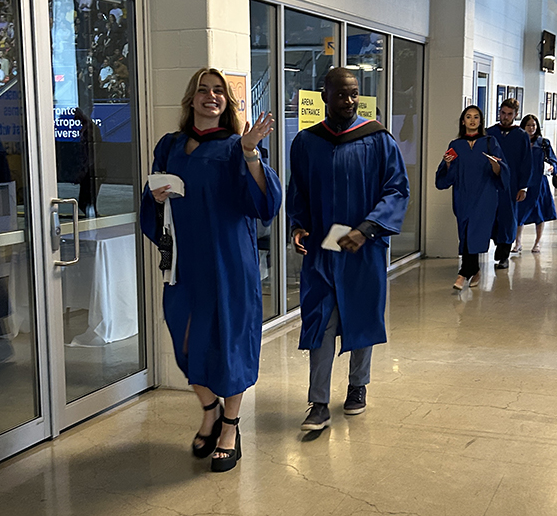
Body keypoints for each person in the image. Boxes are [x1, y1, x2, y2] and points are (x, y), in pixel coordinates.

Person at [140, 68, 282, 472]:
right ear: (191, 99)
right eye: (203, 90)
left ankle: (229, 427)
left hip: (229, 263)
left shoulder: (239, 146)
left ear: (228, 101)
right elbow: (151, 201)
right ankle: (209, 407)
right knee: (185, 343)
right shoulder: (169, 146)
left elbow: (265, 203)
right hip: (185, 265)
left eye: (218, 91)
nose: (211, 96)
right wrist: (154, 196)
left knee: (230, 344)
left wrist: (252, 153)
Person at [288, 67, 409, 432]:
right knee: (320, 323)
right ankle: (318, 401)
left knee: (361, 316)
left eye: (354, 93)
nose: (350, 100)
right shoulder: (307, 142)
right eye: (341, 94)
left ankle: (358, 386)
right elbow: (300, 192)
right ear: (324, 96)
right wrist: (298, 225)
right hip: (323, 250)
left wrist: (367, 229)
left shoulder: (378, 139)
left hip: (364, 249)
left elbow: (397, 190)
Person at [436, 105, 507, 290]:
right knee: (466, 234)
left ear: (481, 121)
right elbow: (445, 178)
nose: (472, 120)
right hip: (463, 196)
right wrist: (448, 165)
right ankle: (474, 269)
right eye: (468, 117)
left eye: (476, 117)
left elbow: (502, 171)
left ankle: (463, 273)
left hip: (485, 196)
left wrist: (495, 165)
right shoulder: (455, 145)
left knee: (476, 232)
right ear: (463, 121)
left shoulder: (490, 142)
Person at [486, 98, 533, 269]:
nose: (505, 117)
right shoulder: (490, 133)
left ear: (516, 115)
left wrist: (523, 186)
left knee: (508, 218)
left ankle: (504, 254)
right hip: (491, 183)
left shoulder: (521, 136)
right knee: (491, 217)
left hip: (511, 185)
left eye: (509, 114)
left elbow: (526, 163)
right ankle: (496, 244)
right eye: (503, 113)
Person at [515, 114, 557, 253]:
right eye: (528, 125)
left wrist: (552, 167)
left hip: (540, 183)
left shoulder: (543, 143)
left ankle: (537, 242)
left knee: (540, 213)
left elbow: (554, 161)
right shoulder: (519, 143)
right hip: (523, 183)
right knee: (519, 213)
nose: (531, 128)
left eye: (533, 125)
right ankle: (518, 242)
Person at [74, 108, 103, 217]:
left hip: (91, 169)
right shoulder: (86, 128)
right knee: (87, 201)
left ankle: (93, 218)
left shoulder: (91, 129)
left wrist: (85, 169)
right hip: (89, 168)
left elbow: (93, 151)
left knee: (86, 201)